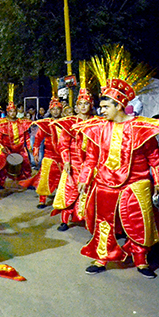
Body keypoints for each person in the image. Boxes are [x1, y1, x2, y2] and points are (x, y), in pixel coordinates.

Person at [76, 45, 159, 278]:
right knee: (103, 223)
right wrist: (84, 179)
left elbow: (155, 158)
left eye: (105, 106)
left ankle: (141, 259)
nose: (100, 110)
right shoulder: (96, 129)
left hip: (136, 183)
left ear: (119, 105)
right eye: (100, 106)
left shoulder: (141, 127)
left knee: (140, 223)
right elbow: (91, 158)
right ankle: (101, 258)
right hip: (104, 184)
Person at [52, 62, 98, 231]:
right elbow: (63, 144)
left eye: (86, 104)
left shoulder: (97, 122)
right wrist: (66, 161)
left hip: (92, 165)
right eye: (80, 104)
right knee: (70, 192)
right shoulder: (69, 122)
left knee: (88, 193)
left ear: (90, 105)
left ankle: (87, 220)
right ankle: (65, 220)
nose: (83, 107)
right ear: (77, 106)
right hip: (73, 163)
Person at [24, 80, 64, 208]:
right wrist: (35, 151)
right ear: (50, 111)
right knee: (45, 178)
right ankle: (42, 199)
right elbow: (38, 138)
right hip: (49, 155)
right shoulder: (46, 123)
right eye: (53, 109)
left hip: (64, 157)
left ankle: (62, 199)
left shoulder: (67, 123)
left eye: (58, 109)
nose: (56, 112)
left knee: (64, 179)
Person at [0, 85, 33, 189]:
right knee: (1, 166)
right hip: (7, 149)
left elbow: (26, 136)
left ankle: (28, 182)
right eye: (10, 111)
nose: (12, 113)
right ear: (7, 112)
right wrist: (2, 147)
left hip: (20, 149)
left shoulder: (22, 123)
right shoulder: (2, 124)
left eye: (14, 111)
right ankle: (1, 184)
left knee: (27, 164)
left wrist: (29, 147)